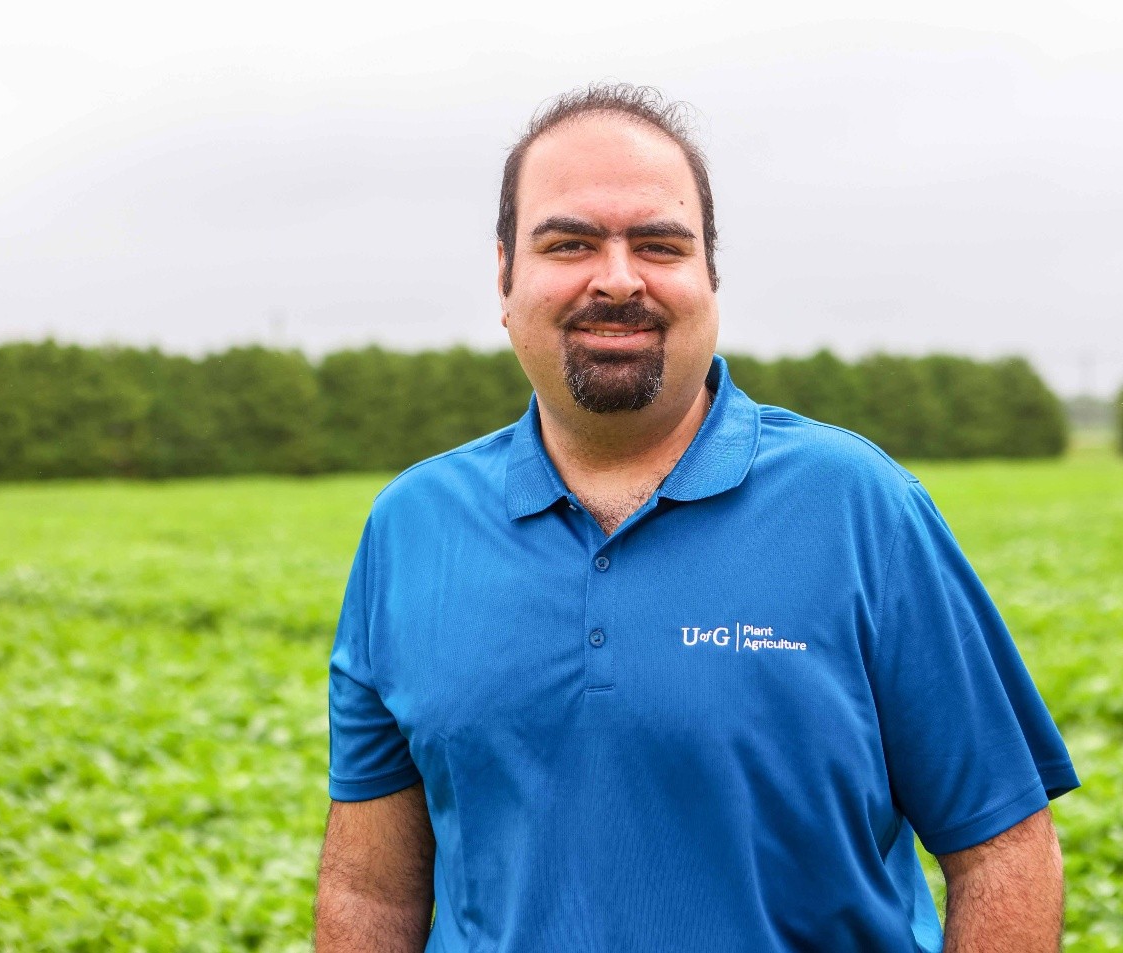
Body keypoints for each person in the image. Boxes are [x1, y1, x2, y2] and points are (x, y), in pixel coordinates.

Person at [315, 84, 1078, 953]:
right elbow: (370, 890)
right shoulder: (411, 528)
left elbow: (1004, 849)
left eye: (659, 244)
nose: (617, 278)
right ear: (504, 276)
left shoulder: (862, 507)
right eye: (569, 243)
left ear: (708, 275)